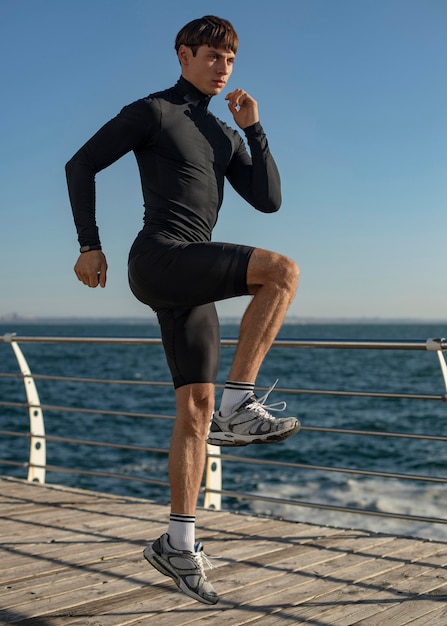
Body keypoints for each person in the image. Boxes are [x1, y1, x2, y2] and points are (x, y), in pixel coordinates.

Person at [66, 15, 300, 605]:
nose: (223, 69)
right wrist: (88, 243)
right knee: (282, 272)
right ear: (183, 55)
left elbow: (268, 200)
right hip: (160, 257)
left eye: (230, 61)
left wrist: (255, 129)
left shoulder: (224, 133)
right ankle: (240, 403)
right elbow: (81, 164)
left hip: (188, 278)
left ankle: (178, 542)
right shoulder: (153, 111)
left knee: (194, 410)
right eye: (212, 57)